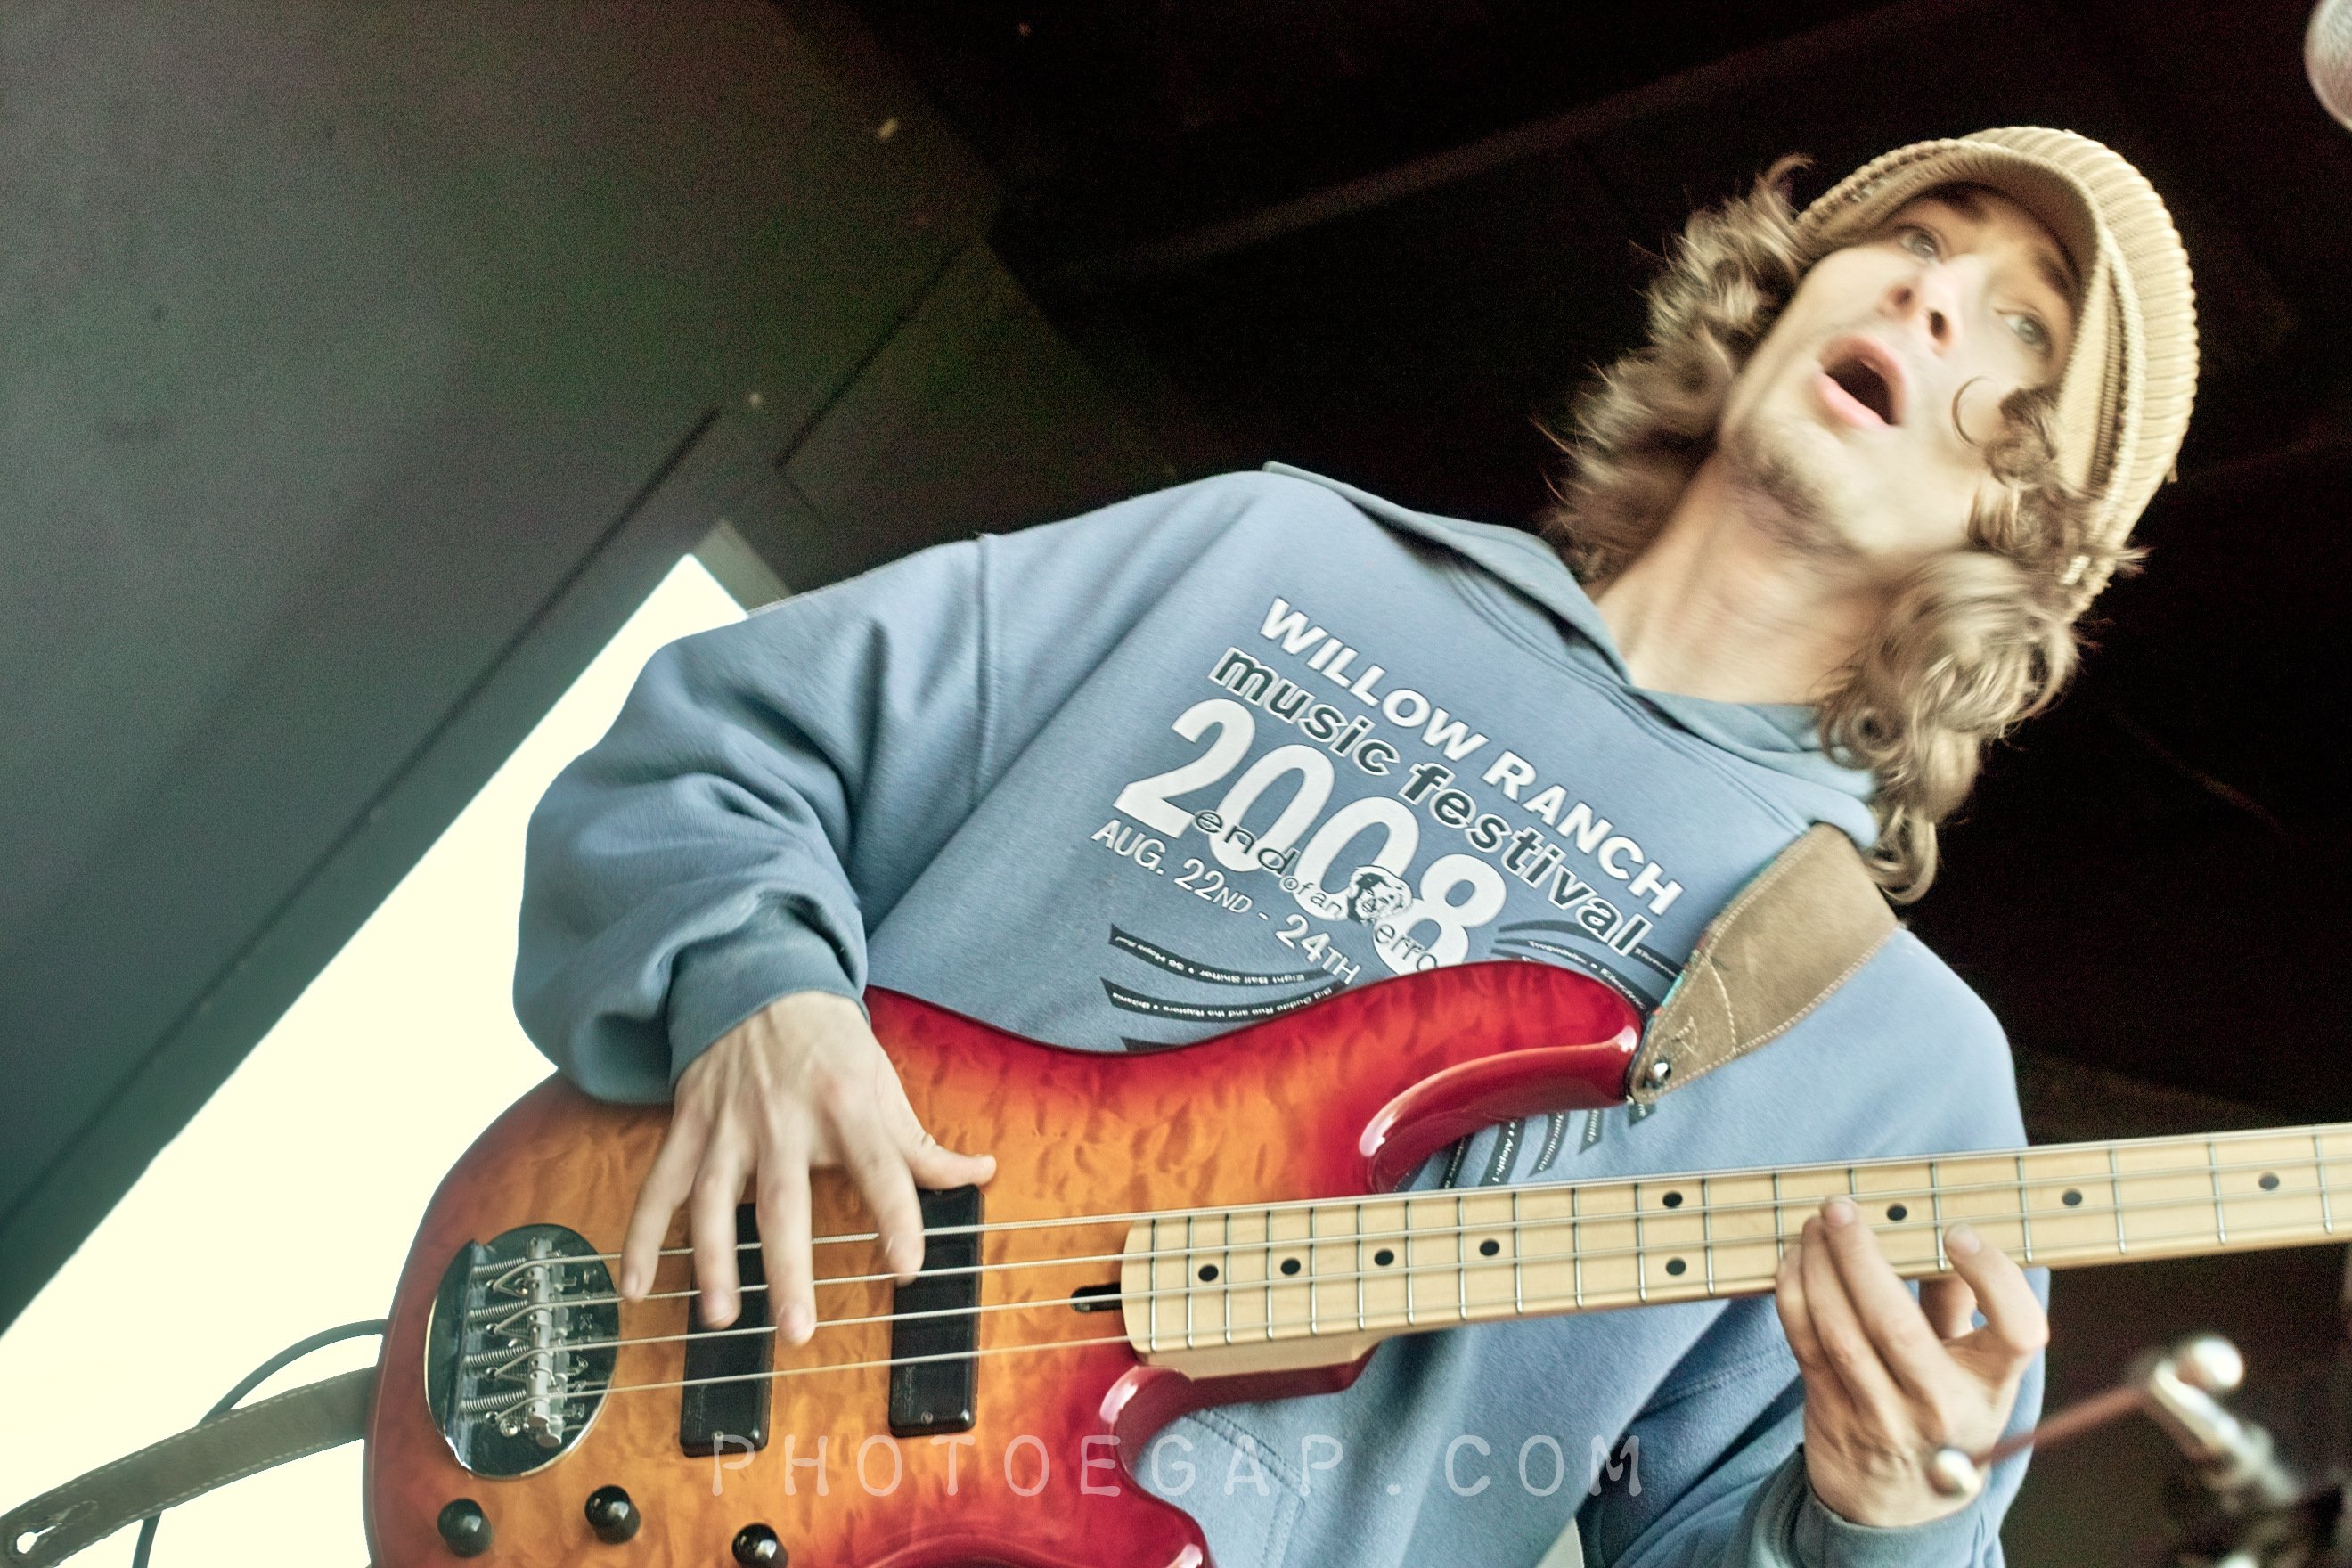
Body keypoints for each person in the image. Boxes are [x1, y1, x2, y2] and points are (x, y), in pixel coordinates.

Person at [515, 126, 2196, 1567]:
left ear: (2028, 525)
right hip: (665, 1440)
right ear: (1777, 296)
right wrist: (756, 995)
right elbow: (715, 755)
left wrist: (1886, 1519)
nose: (1929, 298)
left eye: (2022, 331)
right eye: (1915, 239)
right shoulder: (1269, 556)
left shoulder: (1893, 1068)